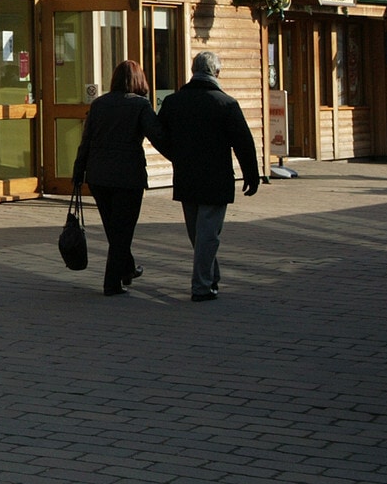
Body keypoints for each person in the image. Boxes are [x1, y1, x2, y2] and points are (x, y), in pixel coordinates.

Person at [157, 49, 260, 301]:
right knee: (207, 235)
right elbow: (243, 143)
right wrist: (252, 175)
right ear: (217, 72)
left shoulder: (173, 102)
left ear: (193, 71)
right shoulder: (226, 104)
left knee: (198, 234)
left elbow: (159, 135)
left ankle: (210, 278)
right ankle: (202, 286)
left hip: (186, 177)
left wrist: (176, 156)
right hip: (216, 179)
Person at [71, 59, 171, 296]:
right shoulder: (140, 106)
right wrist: (181, 158)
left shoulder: (99, 105)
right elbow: (158, 136)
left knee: (114, 229)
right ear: (139, 80)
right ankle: (111, 283)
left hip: (98, 176)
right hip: (128, 177)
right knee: (122, 231)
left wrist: (78, 172)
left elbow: (86, 141)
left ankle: (126, 270)